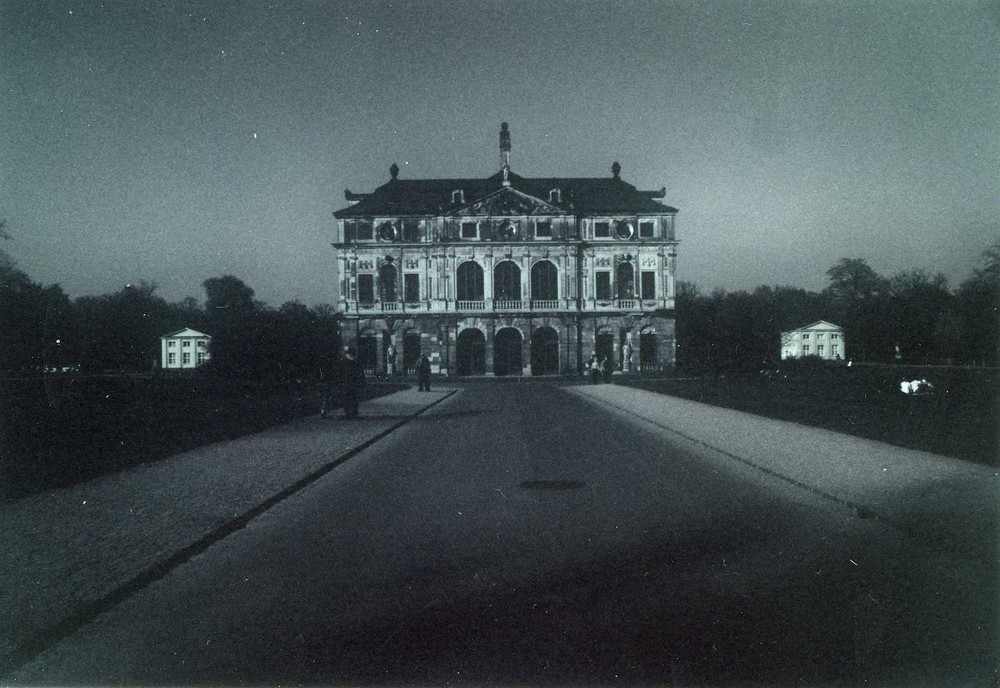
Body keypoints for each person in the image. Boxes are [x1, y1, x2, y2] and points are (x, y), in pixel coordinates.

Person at [340, 349, 366, 419]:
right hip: (354, 383)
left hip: (346, 383)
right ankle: (354, 412)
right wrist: (363, 383)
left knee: (346, 398)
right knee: (354, 398)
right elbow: (361, 374)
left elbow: (340, 374)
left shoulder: (343, 362)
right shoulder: (356, 362)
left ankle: (348, 412)